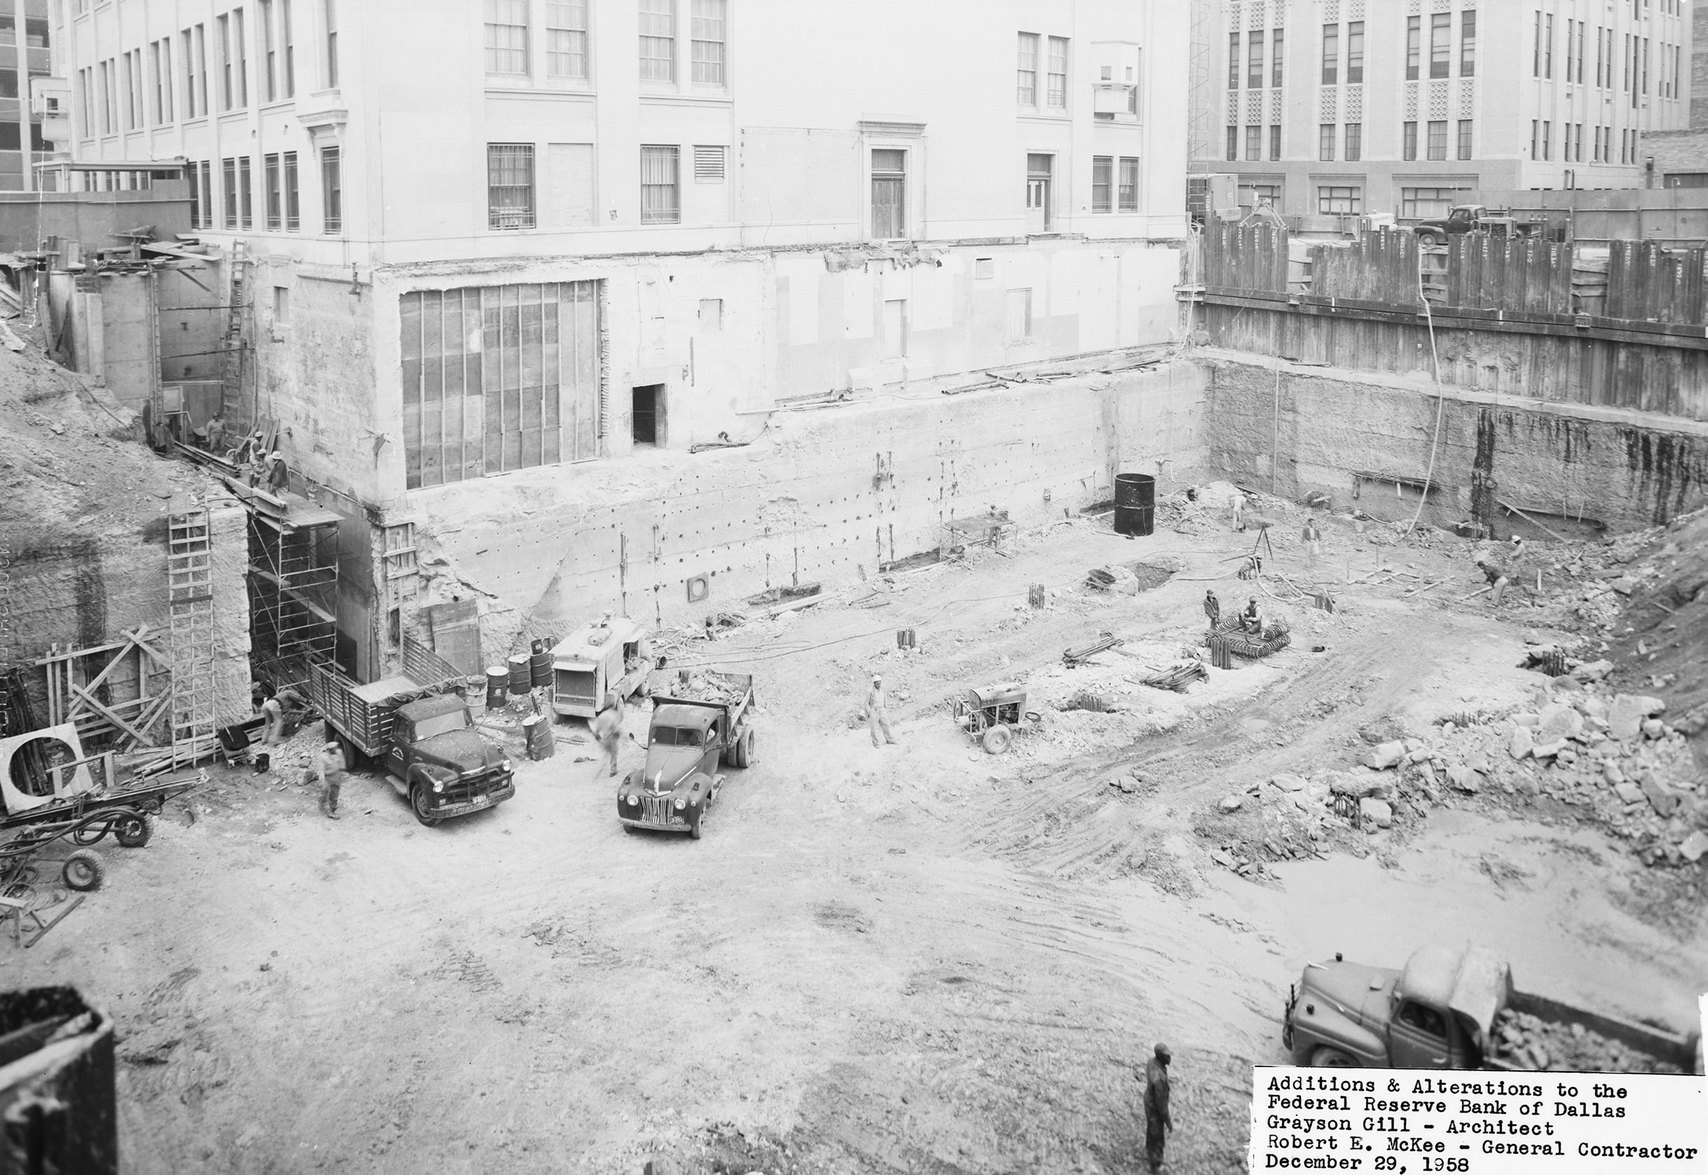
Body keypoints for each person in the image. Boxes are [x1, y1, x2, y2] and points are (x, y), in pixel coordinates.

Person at [1143, 1042, 1174, 1172]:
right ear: (1161, 1057)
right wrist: (1168, 1123)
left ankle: (1148, 1150)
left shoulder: (1152, 1061)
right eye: (1167, 1056)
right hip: (1155, 1108)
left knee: (1151, 1128)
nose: (1170, 1058)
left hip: (1148, 1101)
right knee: (1158, 1136)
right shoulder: (1159, 1080)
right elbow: (1162, 1107)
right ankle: (1156, 1165)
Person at [308, 741, 347, 820]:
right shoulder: (323, 757)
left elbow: (342, 764)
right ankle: (326, 808)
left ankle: (332, 809)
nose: (335, 750)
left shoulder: (339, 753)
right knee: (325, 793)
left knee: (335, 794)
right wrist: (322, 781)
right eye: (333, 749)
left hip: (336, 777)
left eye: (336, 748)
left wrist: (342, 772)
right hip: (328, 778)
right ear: (329, 750)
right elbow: (321, 770)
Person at [592, 693, 623, 778]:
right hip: (612, 738)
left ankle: (601, 768)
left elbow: (596, 730)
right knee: (614, 754)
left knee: (605, 754)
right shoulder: (614, 715)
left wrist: (597, 736)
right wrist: (618, 734)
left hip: (604, 738)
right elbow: (616, 728)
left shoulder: (601, 716)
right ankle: (613, 770)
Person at [866, 674, 896, 748]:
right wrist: (869, 711)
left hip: (882, 709)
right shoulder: (870, 691)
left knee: (886, 725)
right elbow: (866, 703)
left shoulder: (882, 690)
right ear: (874, 683)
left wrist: (885, 708)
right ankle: (875, 743)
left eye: (880, 682)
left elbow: (885, 699)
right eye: (877, 682)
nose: (879, 684)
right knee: (874, 728)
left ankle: (889, 740)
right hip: (874, 710)